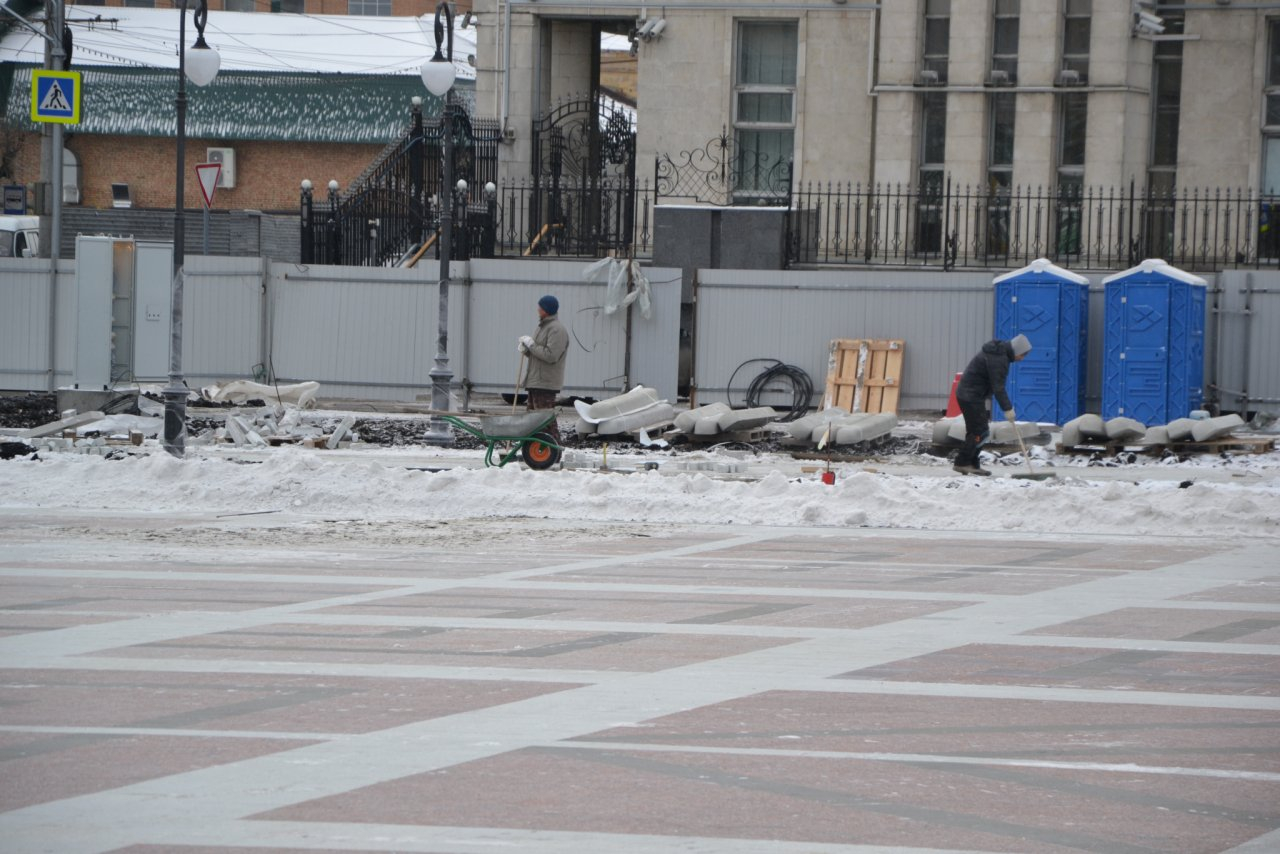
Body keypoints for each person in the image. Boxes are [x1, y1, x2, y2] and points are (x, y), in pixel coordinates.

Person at [952, 333, 1032, 476]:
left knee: (978, 432)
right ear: (1017, 351)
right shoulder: (999, 359)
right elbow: (998, 387)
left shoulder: (1000, 355)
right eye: (1023, 355)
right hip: (970, 395)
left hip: (971, 395)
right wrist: (1007, 409)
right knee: (980, 432)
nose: (1022, 359)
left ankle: (971, 464)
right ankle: (963, 462)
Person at [518, 294, 569, 446]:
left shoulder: (556, 330)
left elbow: (551, 355)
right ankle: (535, 449)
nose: (538, 309)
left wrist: (532, 346)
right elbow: (538, 355)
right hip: (536, 380)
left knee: (545, 419)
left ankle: (554, 448)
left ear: (546, 309)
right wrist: (526, 350)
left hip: (545, 382)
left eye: (540, 307)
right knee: (533, 420)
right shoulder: (543, 327)